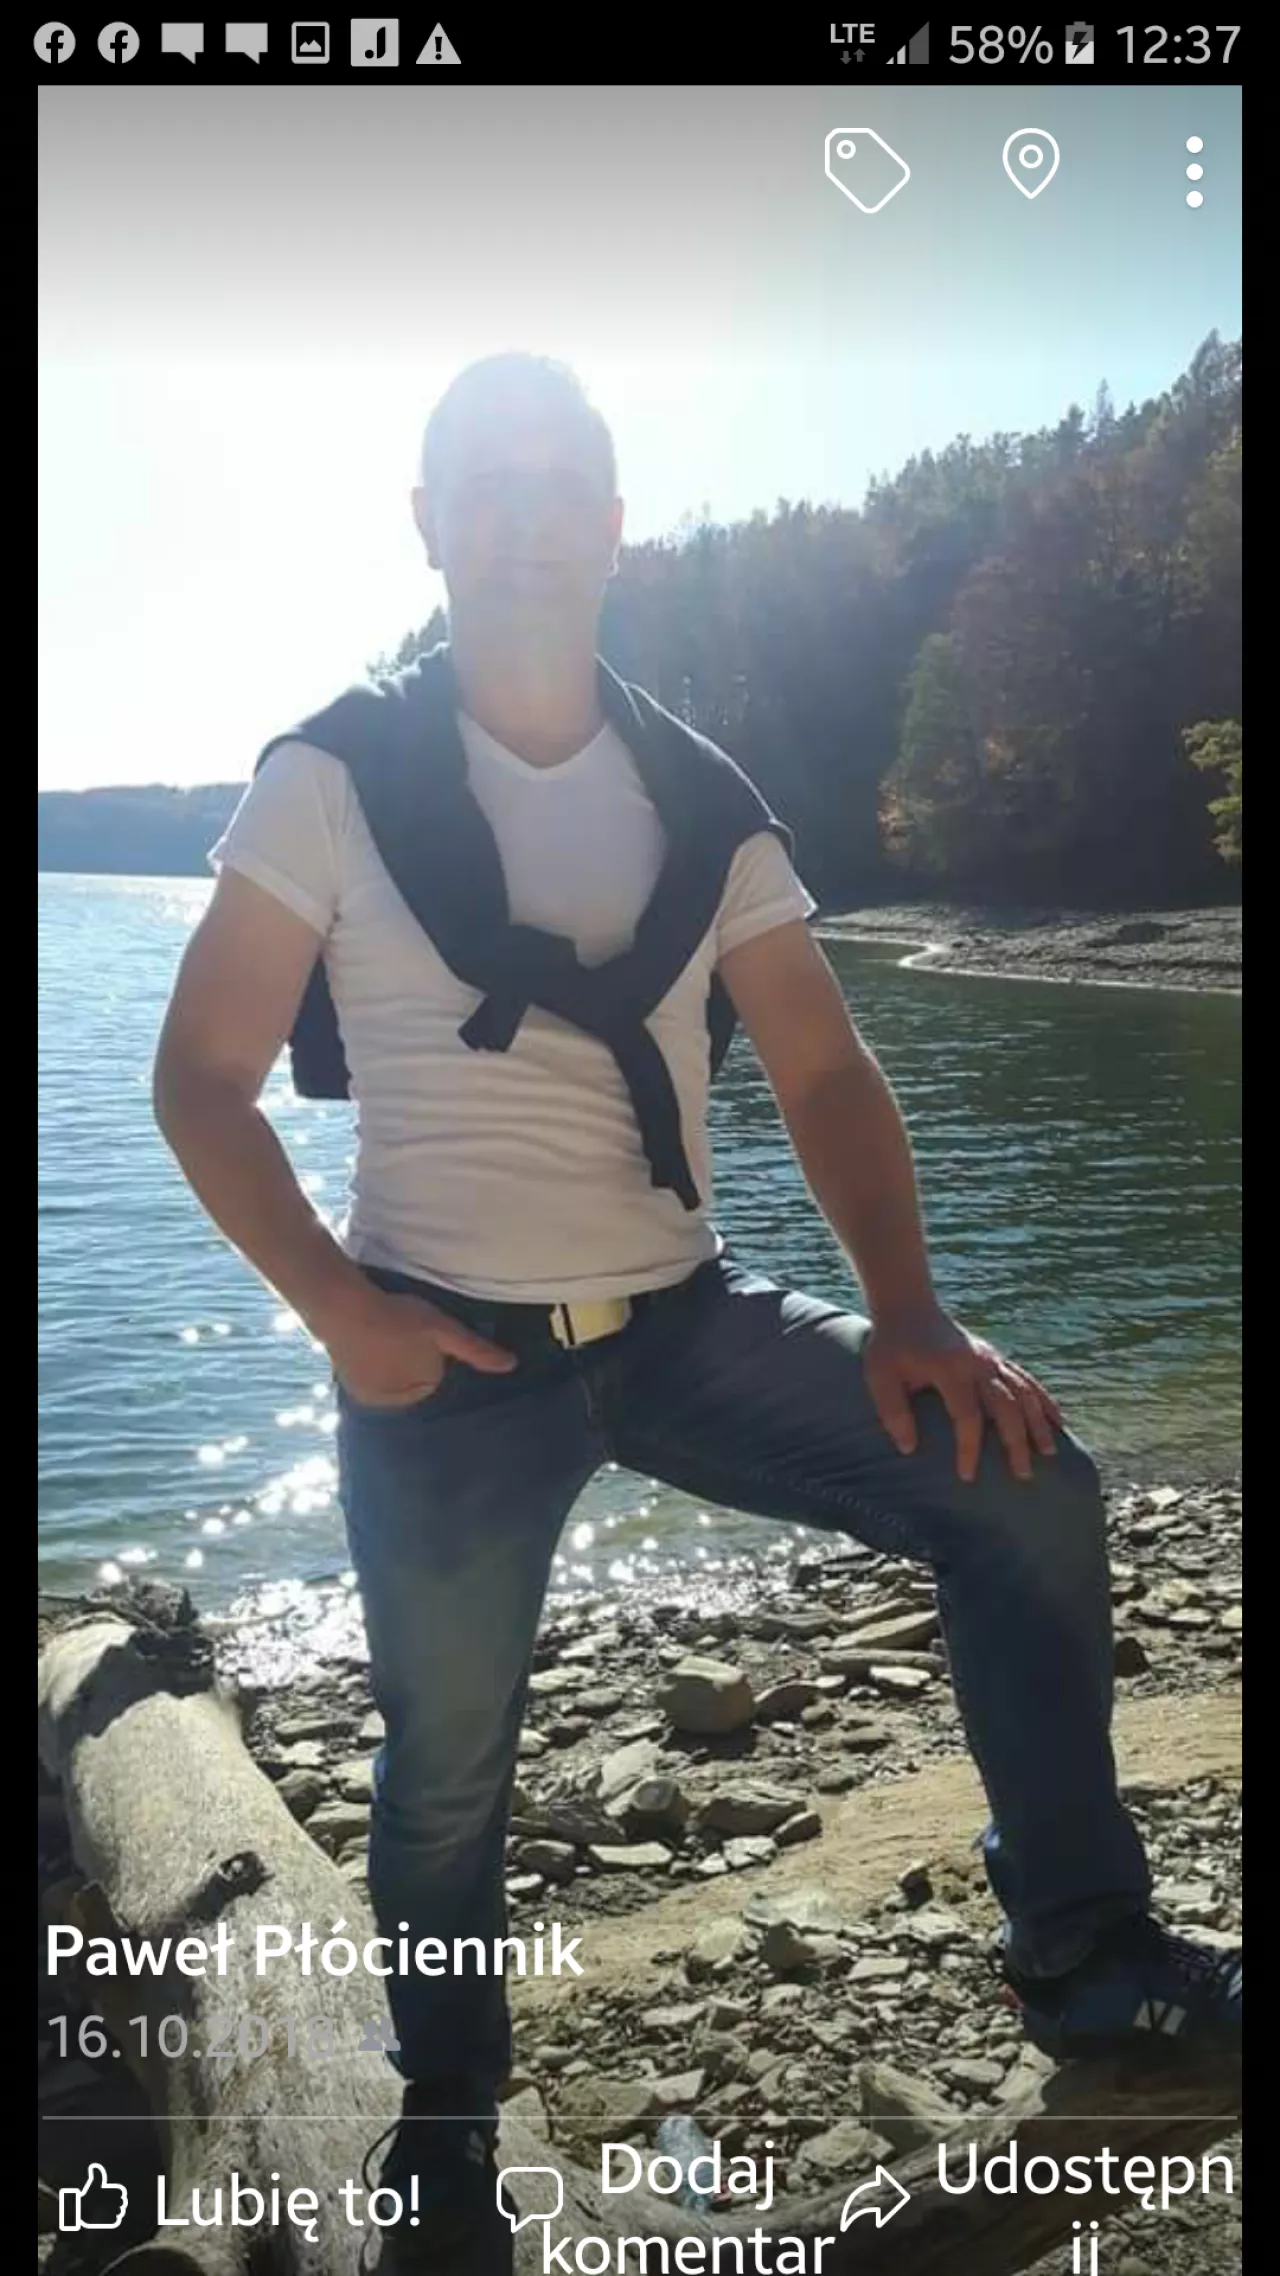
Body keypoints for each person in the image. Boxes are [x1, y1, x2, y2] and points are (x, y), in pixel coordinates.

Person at [153, 353, 1240, 2271]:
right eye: (483, 484)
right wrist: (338, 1311)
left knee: (1027, 1484)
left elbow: (823, 1071)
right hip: (441, 1358)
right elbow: (203, 1082)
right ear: (426, 523)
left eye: (557, 484)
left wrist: (911, 1315)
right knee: (444, 1766)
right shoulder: (328, 777)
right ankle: (448, 2109)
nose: (522, 517)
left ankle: (1088, 1950)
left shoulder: (702, 797)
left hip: (682, 1321)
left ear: (613, 526)